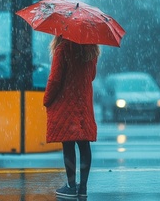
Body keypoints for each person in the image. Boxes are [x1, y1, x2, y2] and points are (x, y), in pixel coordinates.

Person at [43, 36, 99, 198]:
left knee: (68, 144)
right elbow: (92, 76)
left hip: (66, 102)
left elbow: (55, 79)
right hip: (83, 102)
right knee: (84, 144)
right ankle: (83, 188)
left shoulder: (63, 49)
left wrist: (47, 99)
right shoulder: (91, 50)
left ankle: (71, 185)